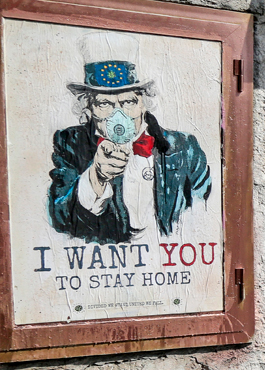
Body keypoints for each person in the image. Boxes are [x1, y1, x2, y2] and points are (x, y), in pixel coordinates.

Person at [48, 32, 212, 245]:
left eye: (128, 102)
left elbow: (205, 210)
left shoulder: (183, 147)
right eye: (104, 104)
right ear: (88, 108)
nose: (120, 115)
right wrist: (96, 177)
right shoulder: (70, 142)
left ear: (144, 103)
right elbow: (60, 217)